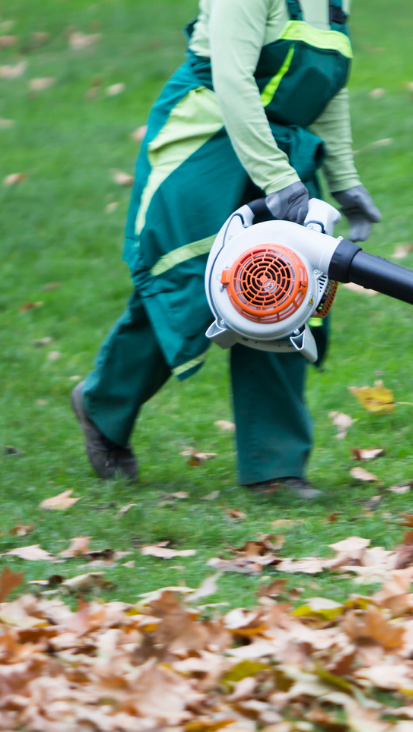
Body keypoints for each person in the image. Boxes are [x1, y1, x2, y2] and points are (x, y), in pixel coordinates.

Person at [71, 0, 380, 500]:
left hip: (279, 151)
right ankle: (102, 404)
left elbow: (328, 89)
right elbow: (233, 80)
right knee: (190, 288)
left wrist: (345, 180)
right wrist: (277, 178)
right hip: (207, 140)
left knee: (284, 292)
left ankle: (275, 469)